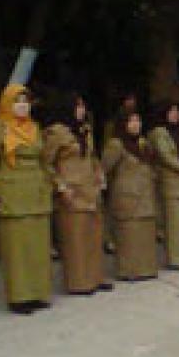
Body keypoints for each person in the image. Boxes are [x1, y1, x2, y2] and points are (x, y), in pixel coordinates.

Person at [0, 84, 52, 314]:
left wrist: (53, 184)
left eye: (25, 101)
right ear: (6, 105)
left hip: (37, 193)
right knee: (17, 249)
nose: (22, 106)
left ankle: (39, 292)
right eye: (17, 101)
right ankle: (20, 297)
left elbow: (44, 161)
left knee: (38, 246)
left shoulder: (35, 128)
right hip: (12, 194)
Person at [45, 93, 109, 295]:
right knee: (76, 240)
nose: (81, 110)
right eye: (77, 106)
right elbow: (46, 163)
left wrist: (99, 174)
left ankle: (95, 278)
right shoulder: (56, 133)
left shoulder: (84, 130)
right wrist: (60, 186)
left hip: (90, 190)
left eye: (83, 106)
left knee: (93, 236)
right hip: (71, 192)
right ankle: (79, 282)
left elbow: (92, 157)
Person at [102, 110, 159, 281]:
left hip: (145, 196)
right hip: (127, 197)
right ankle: (129, 271)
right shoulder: (116, 144)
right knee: (129, 236)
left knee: (144, 235)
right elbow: (105, 168)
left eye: (138, 120)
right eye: (131, 121)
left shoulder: (143, 143)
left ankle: (146, 269)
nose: (135, 124)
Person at [149, 101, 179, 269]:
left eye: (177, 111)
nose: (175, 114)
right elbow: (165, 155)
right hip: (171, 182)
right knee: (174, 224)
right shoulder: (159, 132)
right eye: (171, 111)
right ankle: (175, 259)